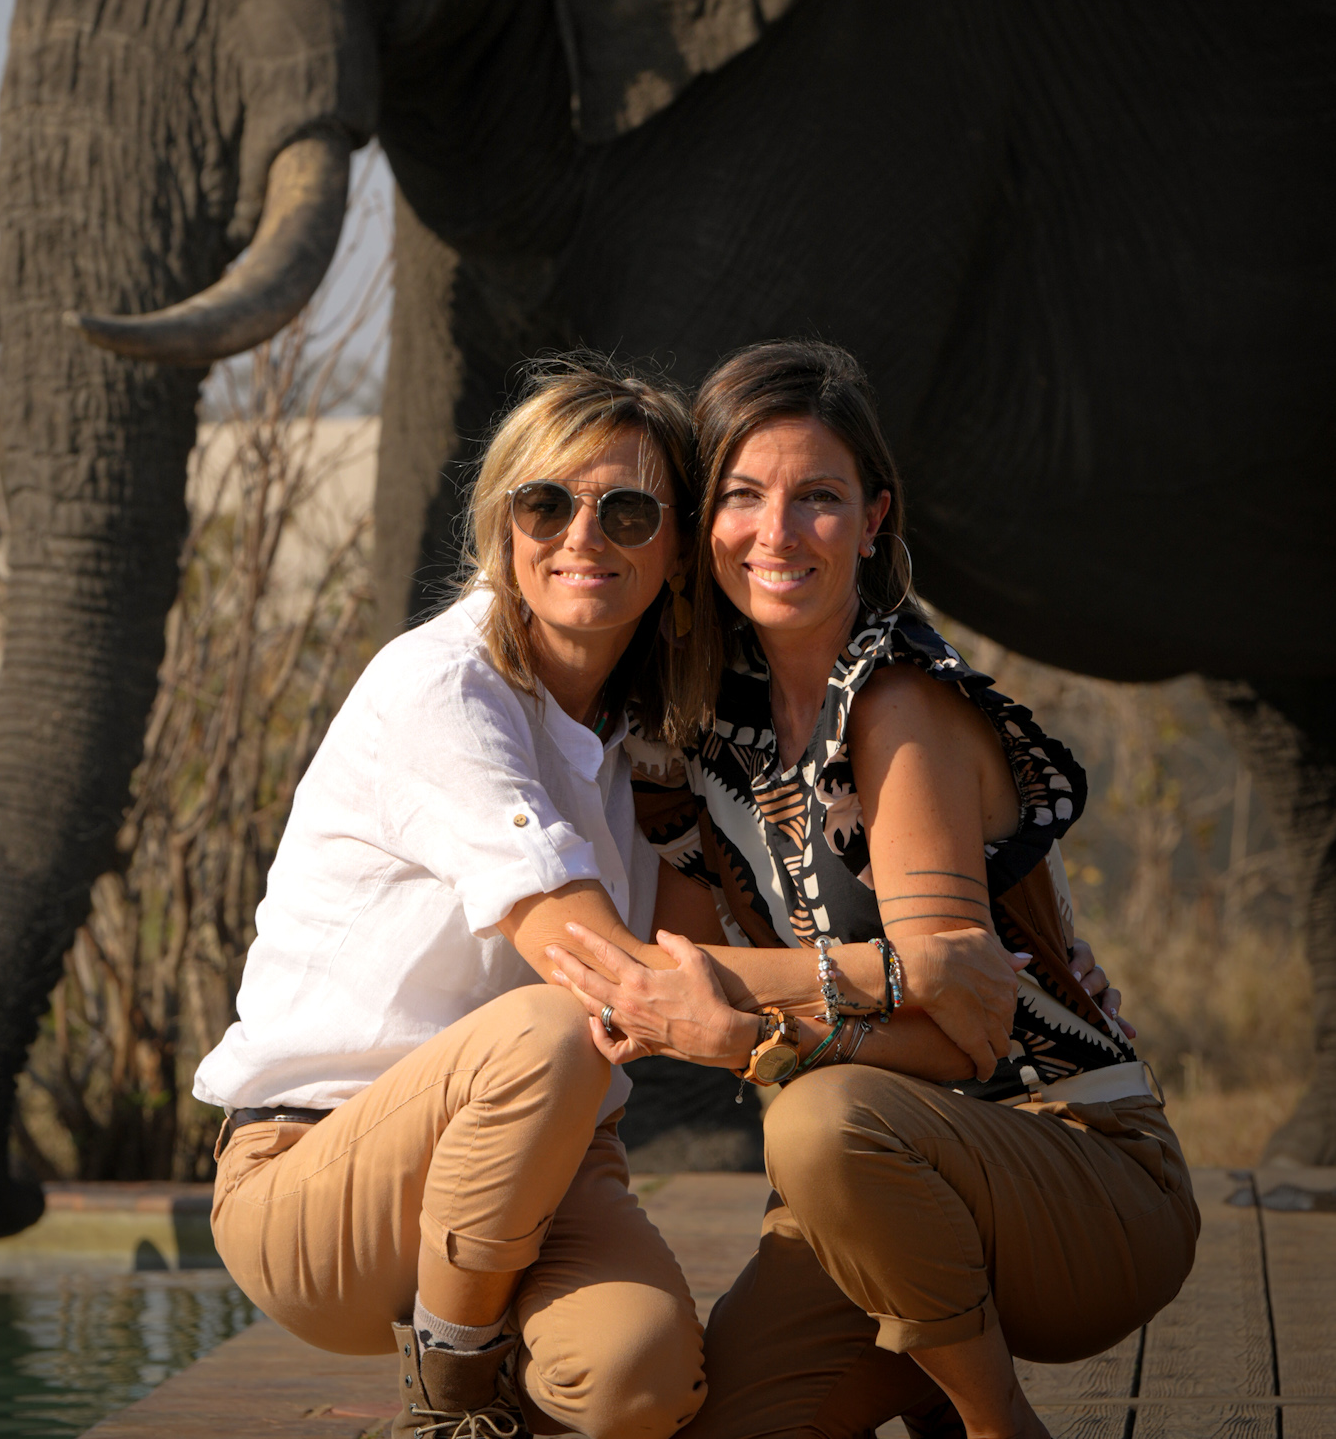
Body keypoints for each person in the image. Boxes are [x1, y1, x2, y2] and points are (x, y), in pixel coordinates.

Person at [196, 353, 1028, 1439]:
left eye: (627, 511)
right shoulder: (441, 688)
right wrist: (913, 968)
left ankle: (505, 1369)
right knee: (555, 1020)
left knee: (642, 1383)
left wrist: (1012, 952)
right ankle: (449, 1400)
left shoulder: (648, 736)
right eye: (545, 503)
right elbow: (606, 977)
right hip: (321, 1170)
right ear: (503, 525)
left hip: (548, 1173)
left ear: (676, 548)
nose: (581, 536)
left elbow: (710, 961)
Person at [548, 340, 1199, 1439]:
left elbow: (966, 1031)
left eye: (818, 496)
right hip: (872, 1190)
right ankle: (926, 1372)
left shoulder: (898, 701)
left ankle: (992, 1421)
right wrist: (863, 979)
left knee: (813, 1120)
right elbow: (677, 980)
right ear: (702, 521)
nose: (777, 531)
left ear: (872, 518)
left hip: (1077, 1165)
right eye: (741, 495)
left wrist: (747, 1025)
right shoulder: (709, 726)